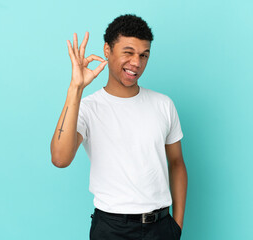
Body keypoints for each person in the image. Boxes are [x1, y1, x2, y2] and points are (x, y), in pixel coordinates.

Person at [50, 14, 187, 240]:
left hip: (161, 228)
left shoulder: (164, 104)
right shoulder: (87, 108)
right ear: (107, 50)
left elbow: (177, 163)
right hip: (111, 229)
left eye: (144, 55)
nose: (137, 62)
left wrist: (176, 226)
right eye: (128, 52)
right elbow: (60, 159)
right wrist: (75, 87)